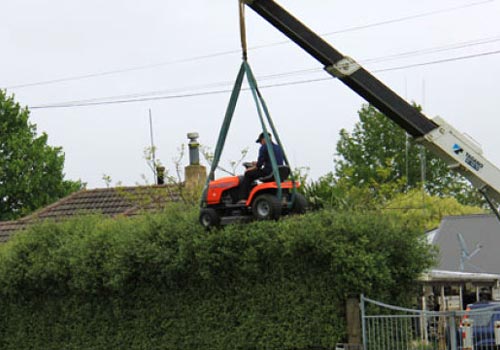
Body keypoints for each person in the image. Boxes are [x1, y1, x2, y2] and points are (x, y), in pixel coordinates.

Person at [239, 132, 284, 202]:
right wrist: (256, 163)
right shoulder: (278, 147)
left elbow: (259, 165)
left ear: (263, 139)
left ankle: (243, 198)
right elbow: (270, 160)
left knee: (248, 174)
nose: (260, 143)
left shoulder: (264, 147)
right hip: (279, 171)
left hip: (269, 172)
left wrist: (249, 169)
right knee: (253, 172)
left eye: (260, 141)